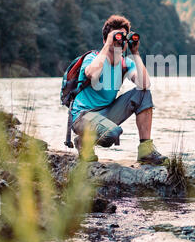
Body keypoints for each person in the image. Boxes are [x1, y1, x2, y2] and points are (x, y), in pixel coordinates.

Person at [71, 15, 168, 165]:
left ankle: (146, 151)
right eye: (116, 37)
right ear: (105, 40)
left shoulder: (125, 63)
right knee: (112, 134)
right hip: (83, 116)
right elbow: (92, 74)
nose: (120, 41)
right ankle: (84, 142)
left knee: (143, 92)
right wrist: (107, 44)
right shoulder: (92, 58)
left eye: (123, 38)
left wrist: (135, 52)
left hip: (106, 112)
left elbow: (145, 84)